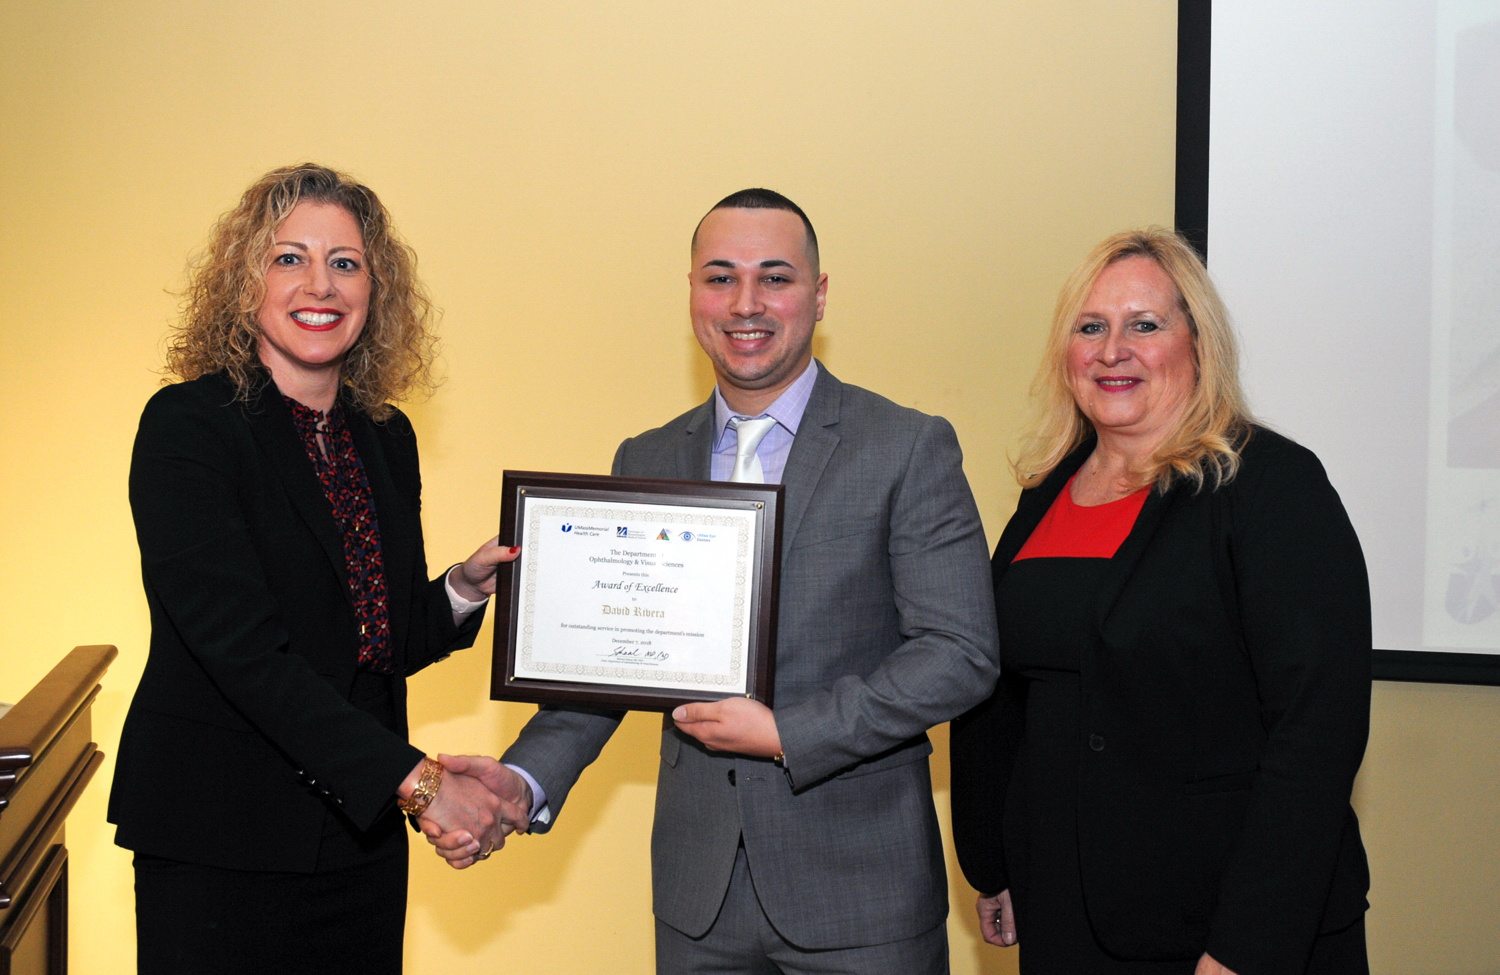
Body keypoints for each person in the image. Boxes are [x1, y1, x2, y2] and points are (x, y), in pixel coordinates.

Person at [430, 189, 1000, 973]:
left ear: (819, 294)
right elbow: (614, 662)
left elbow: (960, 652)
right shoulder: (647, 456)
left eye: (775, 278)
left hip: (861, 893)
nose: (746, 303)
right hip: (697, 901)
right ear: (693, 293)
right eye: (721, 277)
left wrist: (791, 732)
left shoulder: (906, 446)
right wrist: (523, 781)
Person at [108, 163, 526, 975]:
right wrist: (420, 783)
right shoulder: (187, 428)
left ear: (375, 289)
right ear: (245, 283)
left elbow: (373, 641)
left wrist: (461, 590)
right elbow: (246, 654)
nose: (320, 285)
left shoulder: (385, 437)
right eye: (288, 258)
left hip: (357, 841)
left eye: (345, 263)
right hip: (220, 838)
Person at [949, 228, 1373, 975]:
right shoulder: (1046, 492)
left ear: (1198, 345)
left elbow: (1316, 733)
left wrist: (1247, 946)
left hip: (1222, 928)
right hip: (1062, 915)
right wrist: (994, 859)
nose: (1113, 350)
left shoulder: (1272, 486)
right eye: (1091, 327)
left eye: (1144, 325)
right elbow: (1003, 691)